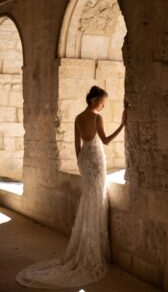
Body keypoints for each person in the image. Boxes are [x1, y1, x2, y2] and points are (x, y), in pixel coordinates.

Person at [16, 86, 126, 289]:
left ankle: (86, 247)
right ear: (94, 100)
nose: (103, 106)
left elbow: (77, 147)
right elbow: (106, 141)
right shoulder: (96, 117)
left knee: (89, 200)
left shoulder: (77, 118)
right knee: (97, 200)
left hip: (85, 160)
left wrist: (82, 163)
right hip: (96, 160)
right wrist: (122, 125)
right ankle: (94, 251)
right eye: (102, 102)